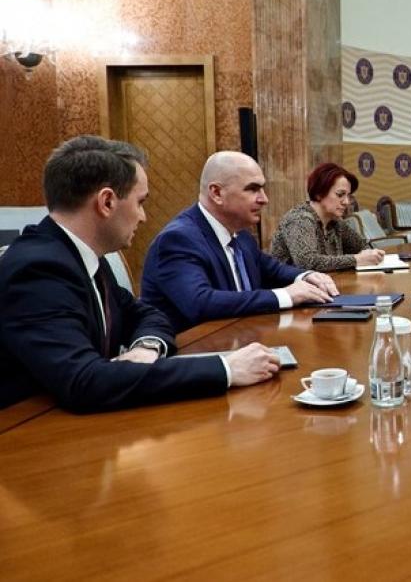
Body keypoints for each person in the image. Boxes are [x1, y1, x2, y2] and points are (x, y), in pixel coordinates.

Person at [0, 136, 280, 412]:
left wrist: (147, 347)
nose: (143, 217)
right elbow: (84, 381)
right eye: (140, 202)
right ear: (107, 202)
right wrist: (225, 368)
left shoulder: (80, 254)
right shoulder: (38, 269)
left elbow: (147, 313)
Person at [141, 151, 340, 332]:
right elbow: (201, 303)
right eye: (253, 189)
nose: (264, 199)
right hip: (194, 349)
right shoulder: (178, 239)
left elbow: (272, 270)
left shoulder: (240, 234)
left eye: (262, 189)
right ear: (217, 193)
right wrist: (286, 296)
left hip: (242, 340)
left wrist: (306, 276)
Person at [269, 162, 385, 271]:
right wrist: (356, 260)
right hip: (290, 285)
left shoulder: (335, 221)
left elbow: (361, 246)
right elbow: (307, 262)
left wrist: (371, 255)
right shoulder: (299, 219)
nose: (346, 202)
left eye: (348, 196)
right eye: (340, 194)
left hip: (328, 283)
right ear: (319, 193)